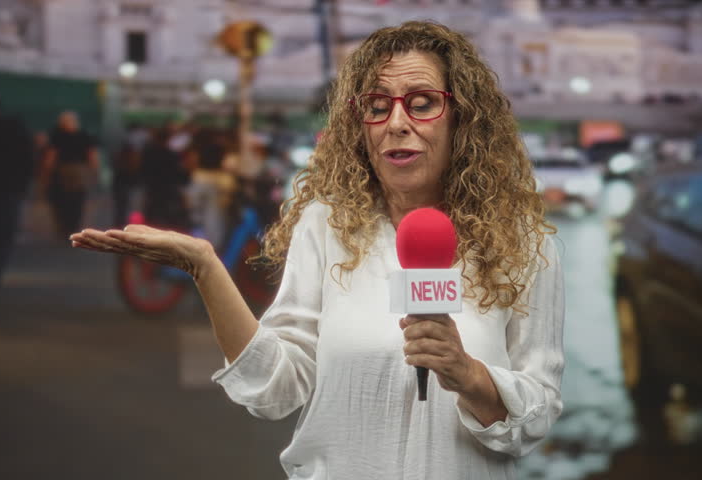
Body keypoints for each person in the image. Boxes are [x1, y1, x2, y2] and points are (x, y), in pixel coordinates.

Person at [70, 21, 565, 479]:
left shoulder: (526, 244)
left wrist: (468, 374)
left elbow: (537, 409)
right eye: (377, 105)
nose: (396, 122)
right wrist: (204, 266)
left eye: (421, 102)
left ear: (463, 118)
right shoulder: (326, 225)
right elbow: (275, 386)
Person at [0, 91, 34, 321]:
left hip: (5, 192)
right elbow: (27, 159)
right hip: (6, 194)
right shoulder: (14, 128)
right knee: (0, 243)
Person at [41, 111, 98, 238]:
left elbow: (51, 156)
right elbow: (92, 155)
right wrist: (94, 172)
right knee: (78, 200)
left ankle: (65, 227)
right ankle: (73, 226)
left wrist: (46, 174)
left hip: (62, 172)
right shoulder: (85, 135)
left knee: (62, 200)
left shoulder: (57, 135)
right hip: (80, 172)